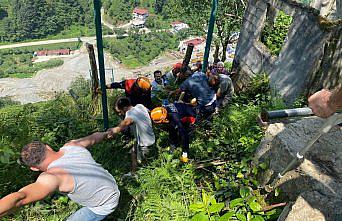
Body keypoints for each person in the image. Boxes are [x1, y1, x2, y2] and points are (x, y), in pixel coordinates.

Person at [0, 131, 120, 221]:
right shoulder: (72, 146)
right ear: (48, 147)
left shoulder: (52, 177)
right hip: (112, 185)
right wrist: (107, 133)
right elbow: (94, 137)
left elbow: (21, 198)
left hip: (105, 204)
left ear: (34, 168)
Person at [107, 97, 155, 176]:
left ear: (125, 108)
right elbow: (149, 112)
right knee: (133, 151)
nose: (120, 114)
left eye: (120, 111)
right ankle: (133, 173)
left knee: (145, 164)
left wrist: (113, 130)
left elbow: (126, 122)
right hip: (150, 138)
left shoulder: (129, 113)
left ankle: (146, 176)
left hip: (145, 144)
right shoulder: (140, 106)